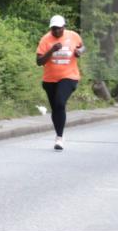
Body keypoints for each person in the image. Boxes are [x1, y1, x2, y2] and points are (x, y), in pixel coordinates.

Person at [36, 14, 84, 151]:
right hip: (50, 79)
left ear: (64, 27)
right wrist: (51, 50)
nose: (56, 31)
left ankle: (60, 138)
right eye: (54, 29)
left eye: (59, 28)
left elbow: (82, 47)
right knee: (56, 108)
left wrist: (79, 51)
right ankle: (59, 135)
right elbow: (39, 62)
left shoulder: (73, 36)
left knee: (59, 102)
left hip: (70, 76)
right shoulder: (45, 39)